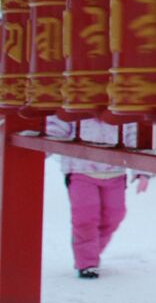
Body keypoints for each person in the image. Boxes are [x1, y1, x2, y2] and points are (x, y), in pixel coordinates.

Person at [48, 117, 146, 279]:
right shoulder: (78, 100)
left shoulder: (120, 106)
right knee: (85, 217)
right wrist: (44, 146)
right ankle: (87, 263)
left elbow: (134, 137)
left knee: (115, 215)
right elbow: (57, 126)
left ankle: (89, 250)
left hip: (115, 171)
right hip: (80, 169)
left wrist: (143, 170)